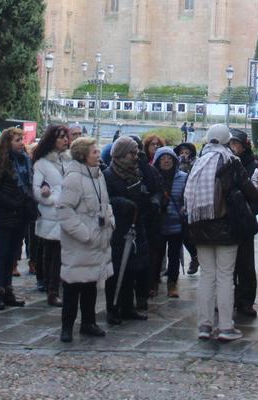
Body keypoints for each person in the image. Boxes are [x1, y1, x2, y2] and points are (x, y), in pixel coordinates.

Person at [185, 124, 258, 342]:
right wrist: (256, 180)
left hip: (200, 226)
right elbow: (252, 194)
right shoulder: (231, 162)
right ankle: (226, 327)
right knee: (225, 276)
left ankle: (204, 325)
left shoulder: (199, 162)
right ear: (227, 141)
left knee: (207, 276)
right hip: (227, 228)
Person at [57, 136, 114, 342]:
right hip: (80, 242)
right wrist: (84, 233)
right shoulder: (73, 178)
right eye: (94, 152)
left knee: (91, 283)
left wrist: (110, 221)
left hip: (98, 239)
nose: (98, 155)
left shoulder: (98, 176)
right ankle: (67, 327)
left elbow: (105, 203)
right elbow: (64, 209)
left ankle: (89, 322)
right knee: (73, 286)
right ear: (83, 155)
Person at [0, 128, 36, 310]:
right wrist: (14, 203)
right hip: (4, 216)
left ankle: (8, 289)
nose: (21, 143)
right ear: (8, 143)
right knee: (2, 253)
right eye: (17, 140)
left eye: (22, 139)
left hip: (21, 216)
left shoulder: (25, 161)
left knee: (12, 254)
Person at [103, 136, 151, 323]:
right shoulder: (108, 175)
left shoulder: (137, 172)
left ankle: (128, 307)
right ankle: (112, 308)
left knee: (131, 270)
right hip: (118, 228)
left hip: (135, 225)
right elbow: (105, 200)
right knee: (115, 271)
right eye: (132, 153)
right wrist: (121, 202)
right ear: (122, 154)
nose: (135, 156)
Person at [32, 123, 71, 305]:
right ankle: (52, 290)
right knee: (52, 254)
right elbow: (36, 189)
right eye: (61, 137)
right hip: (51, 214)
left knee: (62, 253)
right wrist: (49, 197)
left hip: (67, 212)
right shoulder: (42, 163)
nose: (65, 140)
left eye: (66, 136)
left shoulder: (68, 160)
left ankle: (58, 287)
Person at [228, 130, 258, 317]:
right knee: (227, 265)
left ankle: (246, 301)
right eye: (230, 143)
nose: (233, 147)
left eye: (236, 143)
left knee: (246, 265)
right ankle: (227, 298)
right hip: (227, 220)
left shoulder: (253, 164)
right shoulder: (224, 162)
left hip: (245, 220)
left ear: (244, 145)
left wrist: (249, 210)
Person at [151, 146, 187, 297]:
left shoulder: (183, 177)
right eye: (163, 159)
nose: (166, 161)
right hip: (158, 224)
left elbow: (186, 198)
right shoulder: (152, 177)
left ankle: (172, 284)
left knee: (174, 256)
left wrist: (184, 209)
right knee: (156, 256)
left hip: (176, 224)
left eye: (169, 158)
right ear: (157, 161)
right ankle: (153, 283)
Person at [174, 142, 200, 275]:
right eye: (181, 152)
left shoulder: (196, 163)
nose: (183, 155)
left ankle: (196, 256)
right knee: (181, 234)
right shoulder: (175, 163)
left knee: (190, 233)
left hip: (193, 201)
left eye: (186, 152)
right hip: (177, 202)